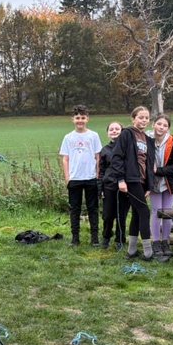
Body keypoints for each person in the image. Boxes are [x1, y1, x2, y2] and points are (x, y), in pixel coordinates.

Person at [108, 105, 156, 260]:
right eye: (140, 117)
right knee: (144, 211)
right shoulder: (127, 134)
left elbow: (149, 163)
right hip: (131, 180)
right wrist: (121, 180)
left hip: (142, 182)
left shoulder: (148, 140)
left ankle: (132, 250)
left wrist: (149, 185)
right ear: (133, 118)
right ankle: (148, 252)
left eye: (146, 118)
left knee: (137, 213)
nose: (144, 120)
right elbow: (117, 158)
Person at [58, 105, 102, 247]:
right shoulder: (68, 137)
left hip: (91, 178)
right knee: (75, 209)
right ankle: (75, 238)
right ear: (73, 119)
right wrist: (67, 178)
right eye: (77, 118)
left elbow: (98, 157)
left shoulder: (93, 136)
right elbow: (65, 159)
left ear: (87, 119)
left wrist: (97, 175)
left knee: (93, 209)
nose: (80, 121)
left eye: (83, 118)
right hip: (74, 179)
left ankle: (94, 238)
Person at [148, 114, 173, 263]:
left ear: (168, 128)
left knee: (168, 213)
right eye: (159, 124)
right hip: (153, 183)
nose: (161, 127)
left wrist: (159, 170)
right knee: (156, 212)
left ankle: (166, 242)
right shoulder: (146, 139)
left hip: (169, 183)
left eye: (165, 125)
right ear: (153, 125)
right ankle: (155, 242)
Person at [97, 121, 124, 249]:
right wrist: (100, 188)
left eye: (117, 129)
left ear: (122, 131)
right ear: (108, 133)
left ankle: (120, 240)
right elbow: (101, 171)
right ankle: (106, 237)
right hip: (108, 186)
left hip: (124, 187)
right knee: (108, 215)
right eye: (111, 129)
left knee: (121, 214)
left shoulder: (127, 149)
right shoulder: (105, 150)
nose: (114, 131)